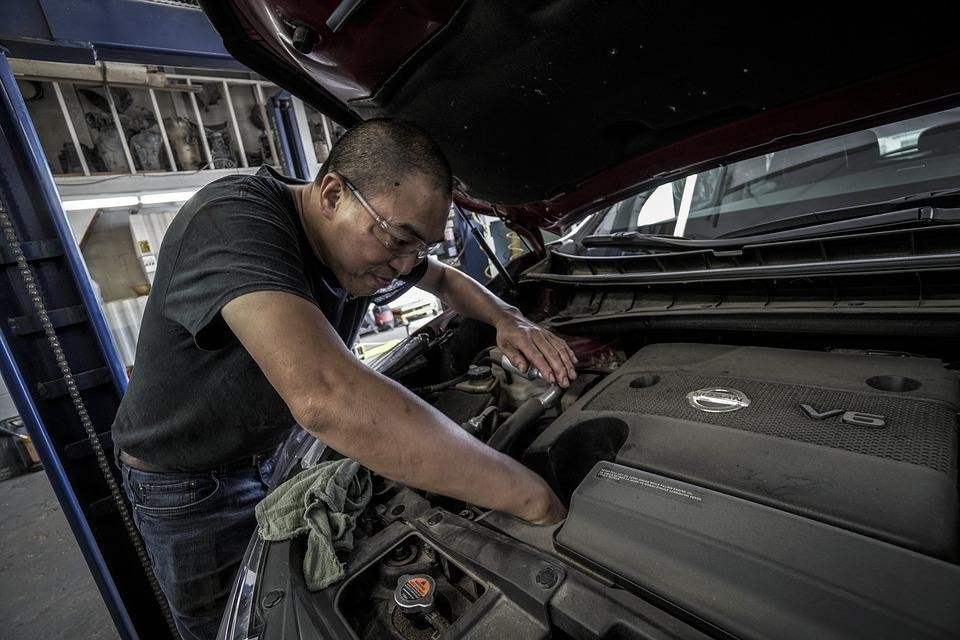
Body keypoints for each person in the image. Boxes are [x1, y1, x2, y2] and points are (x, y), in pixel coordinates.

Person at [111, 118, 575, 640]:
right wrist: (528, 497)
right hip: (191, 485)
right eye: (399, 240)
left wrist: (505, 317)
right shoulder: (233, 222)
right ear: (332, 194)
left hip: (277, 452)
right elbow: (326, 398)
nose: (404, 266)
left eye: (419, 247)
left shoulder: (362, 232)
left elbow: (442, 277)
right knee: (234, 629)